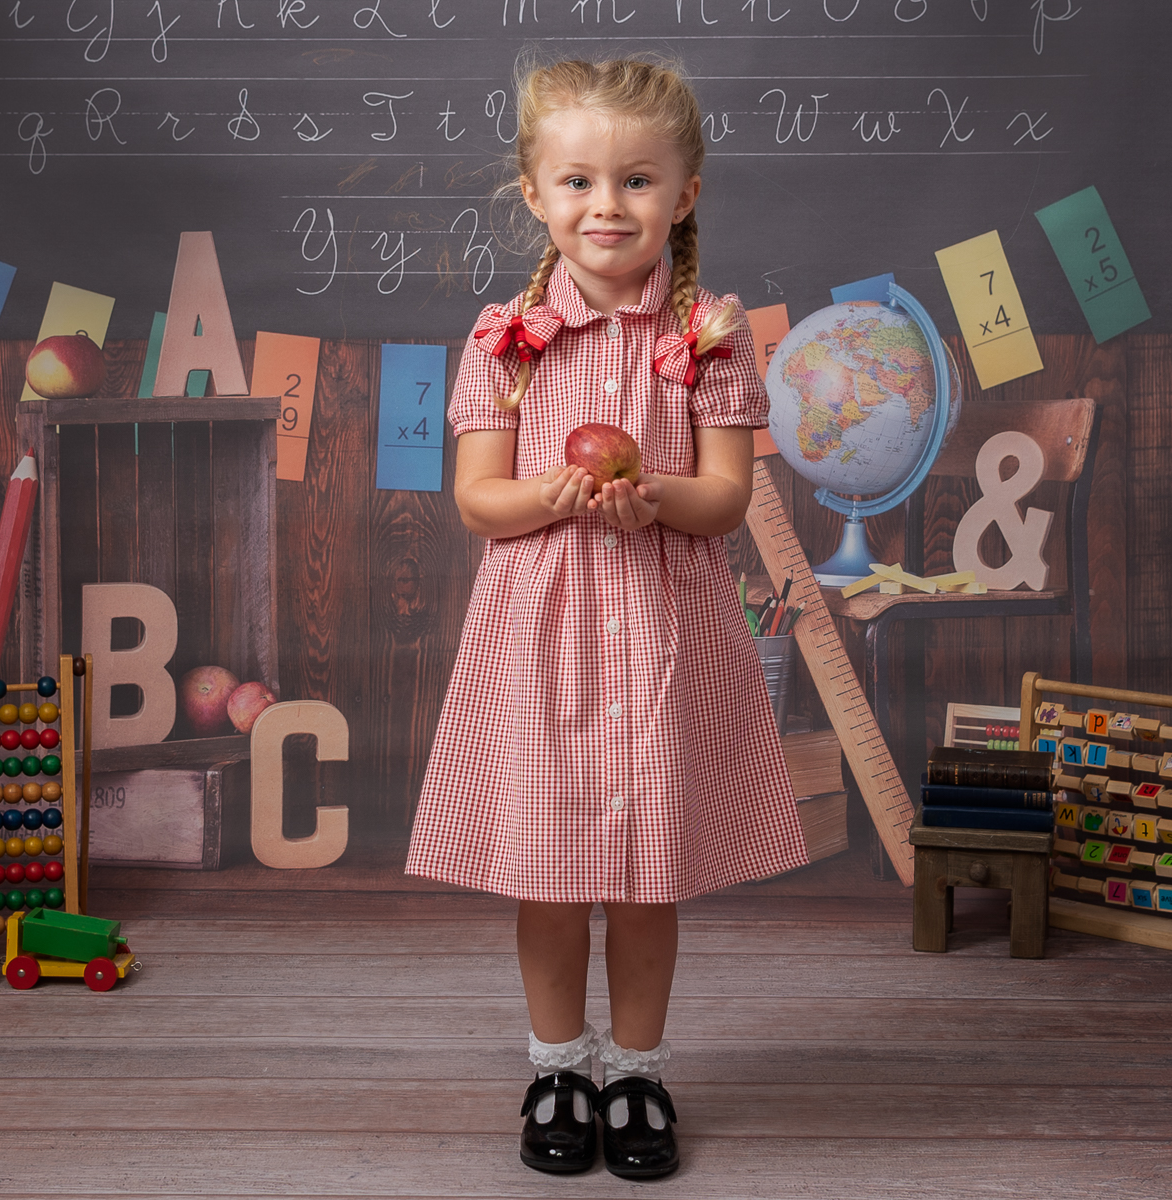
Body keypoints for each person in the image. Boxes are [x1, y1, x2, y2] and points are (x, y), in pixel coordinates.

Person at [405, 59, 808, 1179]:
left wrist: (650, 501)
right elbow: (481, 501)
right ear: (535, 194)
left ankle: (634, 1075)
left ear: (683, 195)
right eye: (577, 180)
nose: (606, 205)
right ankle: (556, 1067)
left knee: (645, 876)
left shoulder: (710, 341)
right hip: (538, 641)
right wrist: (559, 496)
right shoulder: (507, 341)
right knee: (549, 871)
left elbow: (724, 497)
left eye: (636, 180)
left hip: (664, 635)